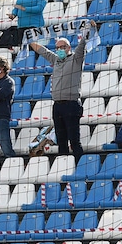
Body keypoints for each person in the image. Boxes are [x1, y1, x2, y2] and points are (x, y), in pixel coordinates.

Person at [28, 21, 96, 160]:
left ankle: (78, 165)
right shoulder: (56, 59)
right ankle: (63, 164)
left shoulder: (76, 59)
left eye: (62, 47)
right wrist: (28, 38)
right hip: (57, 106)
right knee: (61, 141)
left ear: (69, 48)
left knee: (74, 140)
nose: (59, 49)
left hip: (71, 104)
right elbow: (42, 50)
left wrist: (91, 28)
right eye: (57, 47)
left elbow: (82, 44)